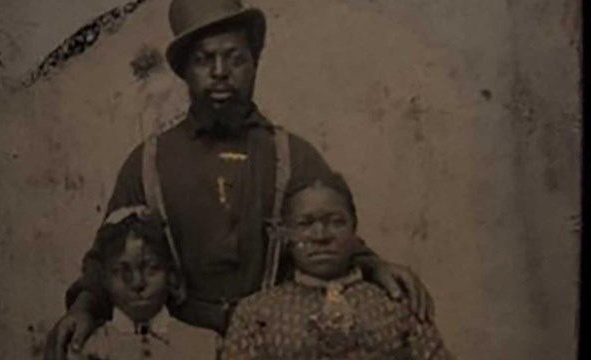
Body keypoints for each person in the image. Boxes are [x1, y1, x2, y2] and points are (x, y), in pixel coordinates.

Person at [45, 0, 434, 359]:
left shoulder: (291, 154)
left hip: (273, 343)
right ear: (184, 72)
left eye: (235, 58)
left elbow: (328, 227)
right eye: (204, 59)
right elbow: (109, 253)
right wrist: (84, 307)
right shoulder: (148, 161)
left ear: (255, 64)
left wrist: (375, 265)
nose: (219, 73)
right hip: (181, 344)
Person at [222, 173, 452, 360]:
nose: (321, 236)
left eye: (335, 222)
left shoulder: (396, 305)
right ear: (286, 234)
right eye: (305, 223)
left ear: (354, 228)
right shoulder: (257, 313)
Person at [69, 206, 216, 360]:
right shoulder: (90, 349)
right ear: (105, 280)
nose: (138, 283)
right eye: (123, 271)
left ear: (171, 275)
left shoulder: (204, 343)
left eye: (151, 268)